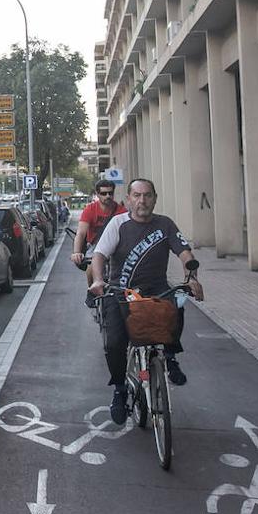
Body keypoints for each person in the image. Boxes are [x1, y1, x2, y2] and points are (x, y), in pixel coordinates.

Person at [88, 178, 203, 424]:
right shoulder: (118, 224)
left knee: (177, 303)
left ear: (155, 198)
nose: (142, 200)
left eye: (147, 195)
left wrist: (191, 277)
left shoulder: (165, 224)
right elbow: (99, 255)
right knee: (115, 342)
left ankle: (170, 358)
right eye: (137, 195)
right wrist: (98, 280)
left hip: (156, 289)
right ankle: (119, 389)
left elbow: (185, 253)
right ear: (128, 199)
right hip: (121, 293)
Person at [72, 180, 127, 290]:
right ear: (97, 194)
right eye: (103, 193)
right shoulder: (90, 209)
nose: (108, 196)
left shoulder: (122, 211)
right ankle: (92, 292)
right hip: (95, 246)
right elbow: (81, 233)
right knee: (90, 267)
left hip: (116, 245)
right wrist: (77, 252)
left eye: (110, 193)